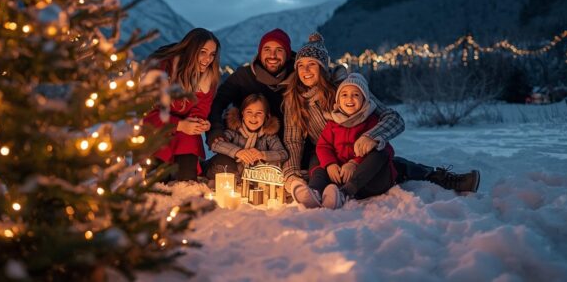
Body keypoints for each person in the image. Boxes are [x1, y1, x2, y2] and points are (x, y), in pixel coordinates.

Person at [283, 33, 481, 199]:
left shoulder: (347, 89)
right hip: (325, 155)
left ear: (323, 67)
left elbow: (393, 118)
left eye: (312, 64)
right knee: (322, 165)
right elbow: (293, 141)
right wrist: (291, 176)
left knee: (387, 159)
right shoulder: (295, 99)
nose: (306, 70)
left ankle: (444, 179)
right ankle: (318, 194)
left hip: (358, 152)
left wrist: (371, 135)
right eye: (301, 65)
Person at [293, 73, 397, 209]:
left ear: (365, 100)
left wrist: (354, 163)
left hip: (370, 180)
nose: (350, 98)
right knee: (318, 156)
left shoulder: (371, 121)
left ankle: (345, 194)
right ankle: (315, 190)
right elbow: (323, 146)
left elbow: (387, 149)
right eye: (344, 95)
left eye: (356, 94)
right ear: (338, 101)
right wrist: (330, 164)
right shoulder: (333, 123)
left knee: (379, 152)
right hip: (341, 174)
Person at [143, 28, 221, 182]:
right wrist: (179, 125)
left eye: (212, 54)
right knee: (157, 183)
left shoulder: (207, 77)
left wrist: (199, 123)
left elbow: (201, 109)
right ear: (191, 50)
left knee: (187, 179)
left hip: (184, 135)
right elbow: (148, 115)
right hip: (157, 130)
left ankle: (186, 184)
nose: (208, 59)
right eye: (203, 52)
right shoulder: (162, 70)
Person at [207, 28, 293, 147]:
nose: (272, 55)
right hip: (242, 147)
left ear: (287, 55)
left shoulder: (297, 79)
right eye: (267, 49)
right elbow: (217, 102)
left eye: (279, 50)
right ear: (260, 53)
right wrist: (216, 130)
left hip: (286, 149)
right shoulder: (244, 76)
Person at [204, 93, 288, 181]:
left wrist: (262, 155)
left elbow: (283, 154)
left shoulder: (269, 136)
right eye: (249, 112)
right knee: (223, 159)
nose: (253, 116)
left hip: (252, 175)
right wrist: (238, 152)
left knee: (273, 164)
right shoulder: (234, 131)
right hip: (229, 171)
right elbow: (216, 144)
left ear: (267, 116)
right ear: (242, 114)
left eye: (259, 113)